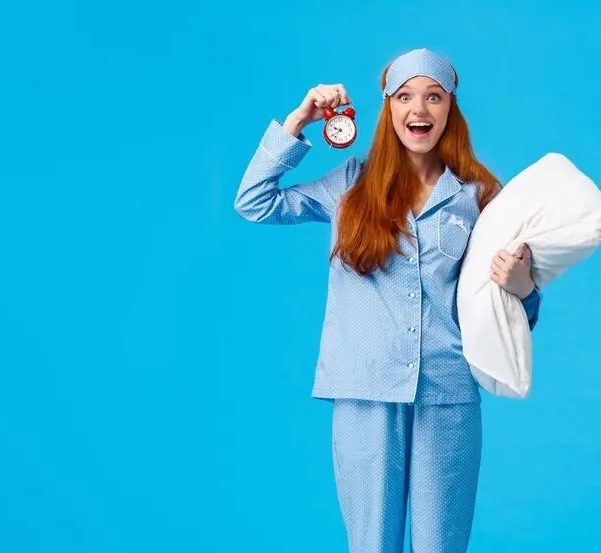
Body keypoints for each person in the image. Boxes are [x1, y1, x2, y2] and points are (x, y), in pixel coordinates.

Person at [232, 48, 543, 553]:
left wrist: (524, 286)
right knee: (371, 545)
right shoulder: (349, 184)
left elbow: (511, 313)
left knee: (440, 545)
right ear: (389, 108)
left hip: (448, 394)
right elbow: (254, 202)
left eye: (433, 97)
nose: (419, 109)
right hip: (364, 391)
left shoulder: (480, 196)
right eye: (406, 97)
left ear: (450, 109)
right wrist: (298, 122)